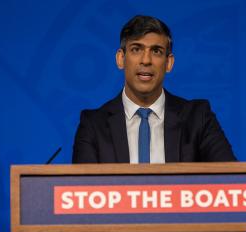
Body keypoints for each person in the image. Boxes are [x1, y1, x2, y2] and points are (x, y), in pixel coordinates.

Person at [72, 15, 236, 163]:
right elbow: (81, 190)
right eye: (136, 49)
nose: (146, 60)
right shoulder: (93, 125)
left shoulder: (198, 119)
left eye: (156, 51)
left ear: (169, 63)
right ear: (121, 59)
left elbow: (233, 180)